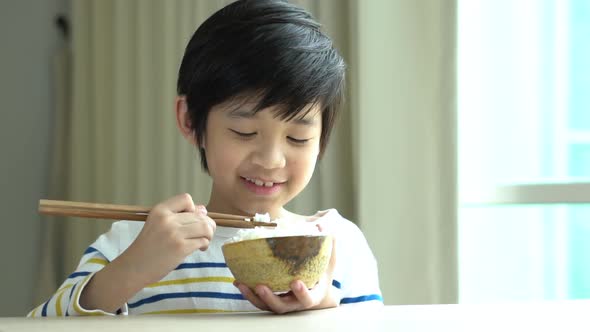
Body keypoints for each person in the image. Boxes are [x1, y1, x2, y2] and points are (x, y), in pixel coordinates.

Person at [28, 0, 382, 317]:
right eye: (244, 133)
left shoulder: (340, 245)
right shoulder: (134, 242)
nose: (272, 160)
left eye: (297, 138)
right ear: (190, 120)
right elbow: (38, 326)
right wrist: (134, 268)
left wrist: (323, 313)